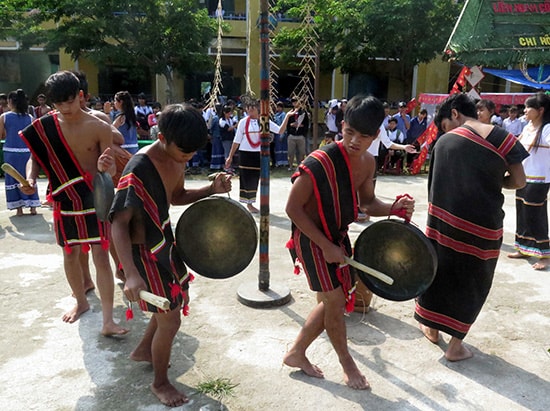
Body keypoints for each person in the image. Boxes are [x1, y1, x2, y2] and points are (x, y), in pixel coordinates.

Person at [283, 95, 415, 390]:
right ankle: (348, 364)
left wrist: (394, 208)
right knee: (335, 300)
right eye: (349, 132)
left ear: (376, 136)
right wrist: (326, 246)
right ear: (341, 126)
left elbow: (367, 203)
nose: (355, 140)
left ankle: (296, 352)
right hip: (310, 238)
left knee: (336, 298)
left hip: (336, 237)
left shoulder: (368, 163)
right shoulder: (318, 161)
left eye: (364, 136)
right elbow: (292, 209)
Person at [109, 103, 232, 407]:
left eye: (192, 153)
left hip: (163, 241)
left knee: (174, 302)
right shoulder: (138, 168)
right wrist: (131, 273)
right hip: (140, 252)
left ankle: (142, 350)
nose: (187, 158)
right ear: (162, 137)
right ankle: (160, 383)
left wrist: (210, 189)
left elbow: (175, 196)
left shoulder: (178, 157)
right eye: (183, 152)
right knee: (171, 320)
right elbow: (118, 225)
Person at [415, 93, 528, 361]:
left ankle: (431, 328)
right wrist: (491, 181)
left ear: (454, 113)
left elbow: (434, 189)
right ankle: (455, 345)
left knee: (439, 273)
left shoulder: (443, 144)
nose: (447, 132)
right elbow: (520, 181)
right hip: (484, 227)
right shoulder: (502, 137)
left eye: (444, 125)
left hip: (444, 223)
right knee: (473, 280)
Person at [19, 70, 128, 336]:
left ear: (79, 96)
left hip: (95, 198)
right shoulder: (45, 126)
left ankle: (108, 321)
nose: (65, 109)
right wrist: (30, 178)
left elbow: (110, 169)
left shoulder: (100, 127)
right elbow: (34, 157)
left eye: (69, 101)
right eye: (58, 104)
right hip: (64, 198)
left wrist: (108, 165)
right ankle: (80, 301)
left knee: (101, 255)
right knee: (70, 253)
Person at [224, 99, 293, 213]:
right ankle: (249, 204)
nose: (250, 111)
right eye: (248, 109)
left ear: (258, 109)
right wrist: (230, 156)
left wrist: (288, 116)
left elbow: (280, 131)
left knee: (256, 178)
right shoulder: (242, 122)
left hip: (258, 154)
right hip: (245, 153)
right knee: (246, 178)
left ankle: (260, 201)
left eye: (252, 109)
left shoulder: (264, 121)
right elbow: (237, 140)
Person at [507, 93, 550, 270]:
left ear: (540, 110)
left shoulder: (547, 129)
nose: (524, 111)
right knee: (522, 211)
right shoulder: (527, 127)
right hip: (524, 176)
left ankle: (545, 254)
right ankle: (523, 247)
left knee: (535, 215)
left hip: (540, 178)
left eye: (528, 107)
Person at [1, 89, 41, 216]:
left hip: (11, 152)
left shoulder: (4, 117)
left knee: (13, 178)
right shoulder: (30, 118)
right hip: (26, 152)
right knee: (28, 178)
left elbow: (1, 135)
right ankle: (33, 207)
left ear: (11, 102)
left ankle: (19, 208)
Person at [287, 96, 309, 170]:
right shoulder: (290, 112)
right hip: (292, 135)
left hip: (300, 135)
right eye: (293, 101)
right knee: (290, 152)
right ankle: (290, 166)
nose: (294, 103)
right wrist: (290, 130)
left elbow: (306, 124)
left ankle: (300, 166)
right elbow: (287, 123)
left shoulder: (303, 112)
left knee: (301, 153)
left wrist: (303, 134)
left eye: (296, 101)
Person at [273, 101, 289, 167]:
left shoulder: (283, 115)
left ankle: (284, 162)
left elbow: (284, 124)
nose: (278, 108)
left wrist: (282, 134)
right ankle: (279, 162)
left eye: (280, 107)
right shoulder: (276, 115)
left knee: (283, 148)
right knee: (278, 148)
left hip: (282, 133)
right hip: (276, 133)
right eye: (277, 107)